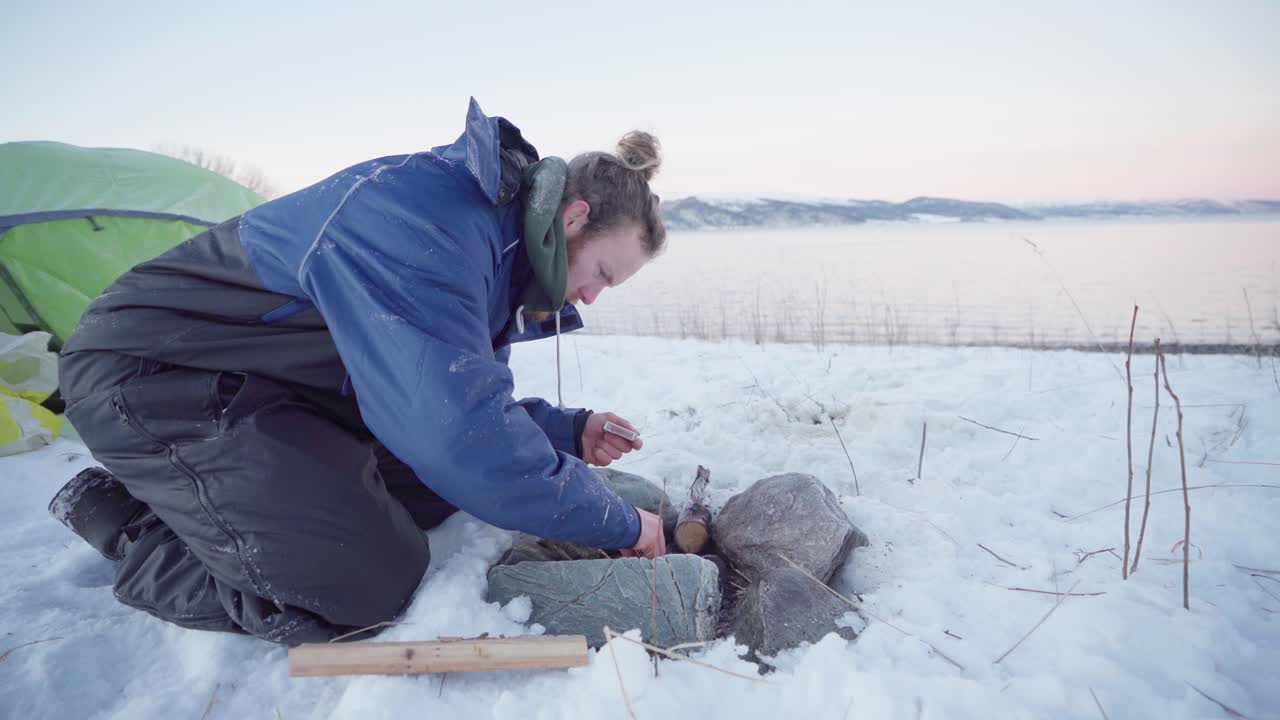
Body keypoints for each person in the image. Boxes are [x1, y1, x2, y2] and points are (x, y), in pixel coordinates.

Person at [47, 99, 668, 645]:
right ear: (572, 218)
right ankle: (128, 524)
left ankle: (210, 491)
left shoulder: (493, 248)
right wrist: (614, 521)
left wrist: (568, 431)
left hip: (281, 390)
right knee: (361, 582)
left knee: (432, 493)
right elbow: (456, 436)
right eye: (603, 275)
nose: (589, 298)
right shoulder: (431, 223)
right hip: (157, 376)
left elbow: (461, 398)